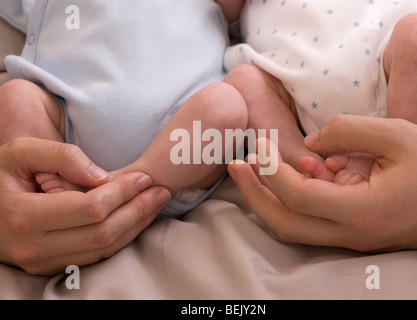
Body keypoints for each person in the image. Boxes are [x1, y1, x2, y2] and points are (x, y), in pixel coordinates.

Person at [0, 0, 247, 219]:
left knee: (226, 105)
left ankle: (120, 184)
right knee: (15, 97)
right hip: (66, 120)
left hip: (178, 131)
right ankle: (71, 195)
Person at [221, 0, 417, 185]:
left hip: (400, 69)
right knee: (243, 82)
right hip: (301, 104)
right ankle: (308, 166)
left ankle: (395, 155)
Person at [228, 114, 417, 252]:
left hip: (380, 71)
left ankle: (384, 158)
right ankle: (304, 166)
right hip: (296, 84)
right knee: (244, 78)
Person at [0, 137, 171, 275]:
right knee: (14, 99)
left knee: (198, 114)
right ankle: (49, 173)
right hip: (68, 112)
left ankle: (119, 179)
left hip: (176, 108)